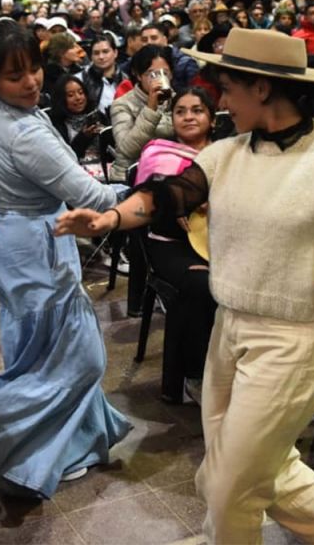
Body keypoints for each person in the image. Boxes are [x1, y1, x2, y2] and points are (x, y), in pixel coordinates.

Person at [55, 28, 314, 544]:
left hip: (291, 341)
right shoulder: (225, 154)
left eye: (227, 85)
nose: (219, 97)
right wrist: (108, 220)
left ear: (262, 88)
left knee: (229, 485)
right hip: (228, 332)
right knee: (248, 469)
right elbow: (168, 197)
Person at [0, 20, 131, 503]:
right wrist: (140, 191)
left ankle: (70, 447)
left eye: (34, 68)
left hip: (5, 240)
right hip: (35, 247)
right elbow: (91, 195)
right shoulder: (24, 133)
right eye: (17, 76)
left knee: (34, 348)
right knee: (79, 360)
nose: (32, 82)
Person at [134, 87, 217, 404]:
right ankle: (194, 375)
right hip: (170, 244)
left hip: (223, 240)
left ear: (211, 117)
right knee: (201, 284)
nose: (188, 116)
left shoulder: (225, 153)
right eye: (180, 111)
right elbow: (147, 204)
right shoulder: (159, 154)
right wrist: (179, 206)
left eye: (197, 110)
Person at [108, 45, 177, 182]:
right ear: (138, 75)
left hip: (168, 172)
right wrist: (151, 108)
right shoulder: (122, 104)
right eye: (152, 74)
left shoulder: (176, 100)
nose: (159, 79)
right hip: (130, 176)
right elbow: (127, 149)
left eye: (165, 73)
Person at [46, 74, 106, 160]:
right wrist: (83, 137)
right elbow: (63, 157)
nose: (78, 98)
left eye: (81, 93)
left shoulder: (97, 115)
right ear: (61, 99)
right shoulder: (55, 123)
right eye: (70, 95)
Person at [82, 33, 126, 112]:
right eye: (96, 53)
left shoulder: (125, 79)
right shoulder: (81, 79)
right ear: (91, 57)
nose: (101, 57)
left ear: (115, 53)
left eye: (105, 52)